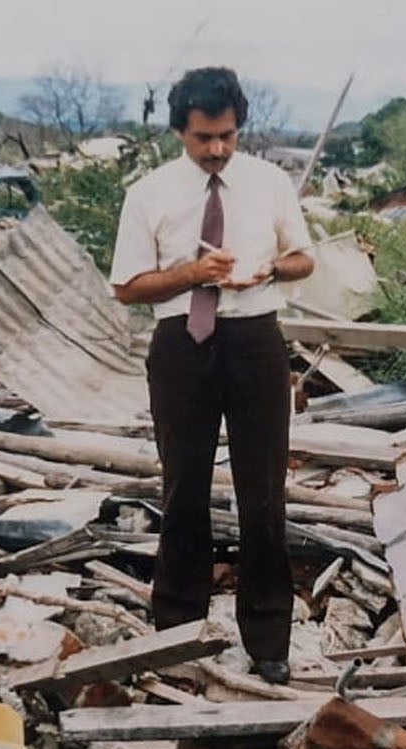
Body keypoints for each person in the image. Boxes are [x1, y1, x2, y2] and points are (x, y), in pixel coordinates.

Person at [109, 67, 314, 685]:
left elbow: (305, 257)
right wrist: (194, 274)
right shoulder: (149, 193)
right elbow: (127, 286)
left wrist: (271, 271)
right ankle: (174, 631)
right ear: (180, 131)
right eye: (204, 138)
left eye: (226, 136)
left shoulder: (270, 182)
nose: (217, 149)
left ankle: (269, 638)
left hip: (255, 341)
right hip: (182, 347)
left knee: (262, 495)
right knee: (183, 490)